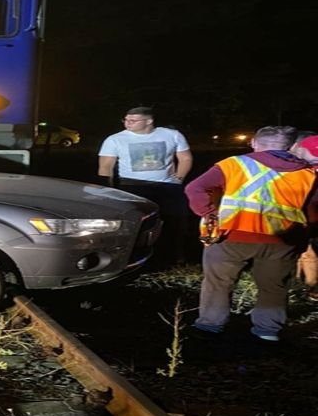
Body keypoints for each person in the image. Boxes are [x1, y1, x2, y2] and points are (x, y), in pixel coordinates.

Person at [185, 126, 318, 343]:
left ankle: (210, 325)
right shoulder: (307, 173)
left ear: (255, 143)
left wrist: (210, 216)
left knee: (219, 282)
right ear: (290, 147)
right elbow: (313, 211)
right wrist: (303, 237)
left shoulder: (234, 164)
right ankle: (268, 331)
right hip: (281, 240)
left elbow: (194, 189)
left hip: (232, 235)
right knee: (274, 286)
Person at [98, 106, 193, 265]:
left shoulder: (172, 135)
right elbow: (105, 166)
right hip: (132, 186)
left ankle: (174, 256)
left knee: (175, 222)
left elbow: (185, 158)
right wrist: (107, 189)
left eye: (133, 120)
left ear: (149, 121)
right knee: (138, 224)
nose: (127, 124)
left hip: (168, 186)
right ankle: (134, 257)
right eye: (126, 120)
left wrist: (179, 178)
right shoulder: (115, 139)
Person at [290, 133, 318, 300]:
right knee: (305, 251)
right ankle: (304, 283)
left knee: (307, 251)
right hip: (308, 217)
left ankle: (310, 285)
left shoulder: (302, 170)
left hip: (308, 217)